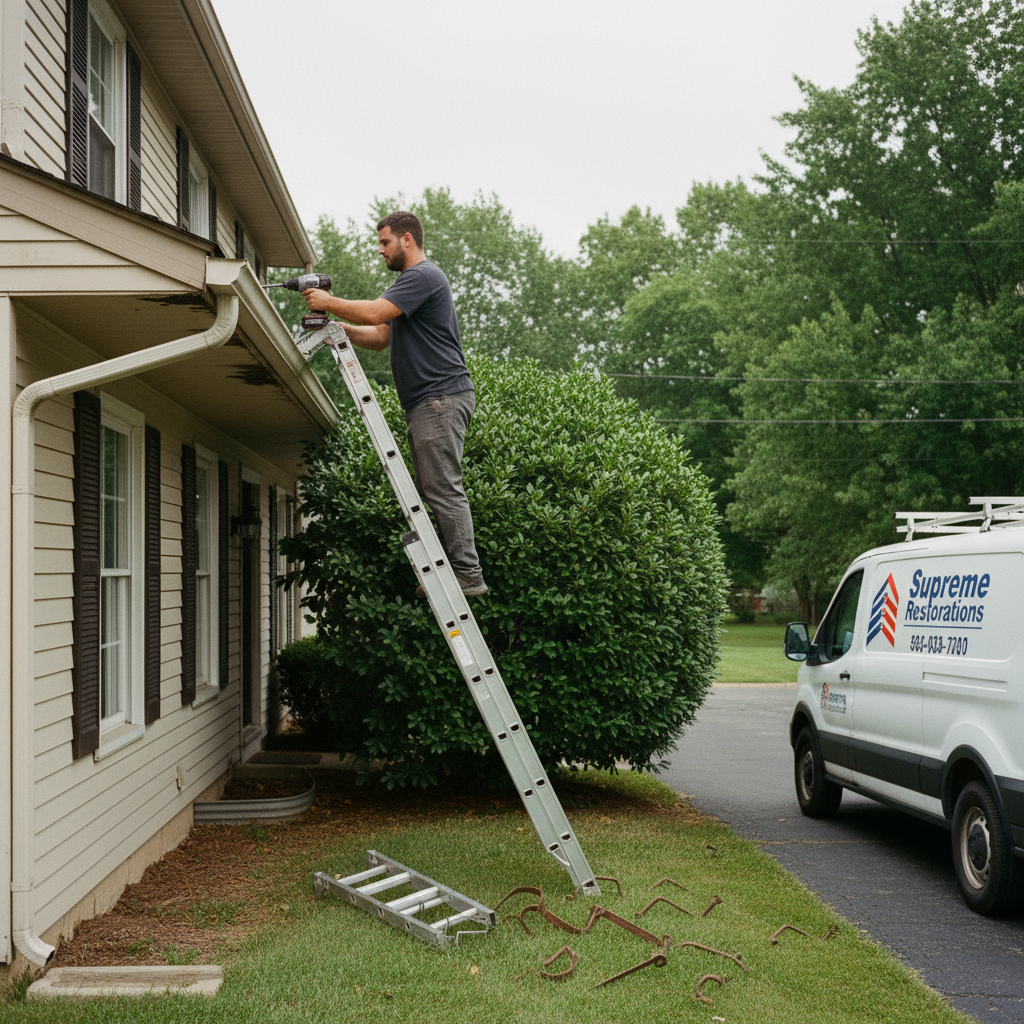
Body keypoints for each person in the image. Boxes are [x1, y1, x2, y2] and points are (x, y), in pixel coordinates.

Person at [302, 211, 488, 597]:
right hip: (431, 399)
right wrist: (338, 329)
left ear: (407, 239)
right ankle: (457, 571)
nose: (381, 250)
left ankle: (467, 574)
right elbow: (379, 335)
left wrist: (328, 301)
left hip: (440, 396)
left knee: (442, 488)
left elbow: (373, 311)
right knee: (433, 487)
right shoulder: (411, 287)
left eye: (385, 242)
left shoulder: (423, 276)